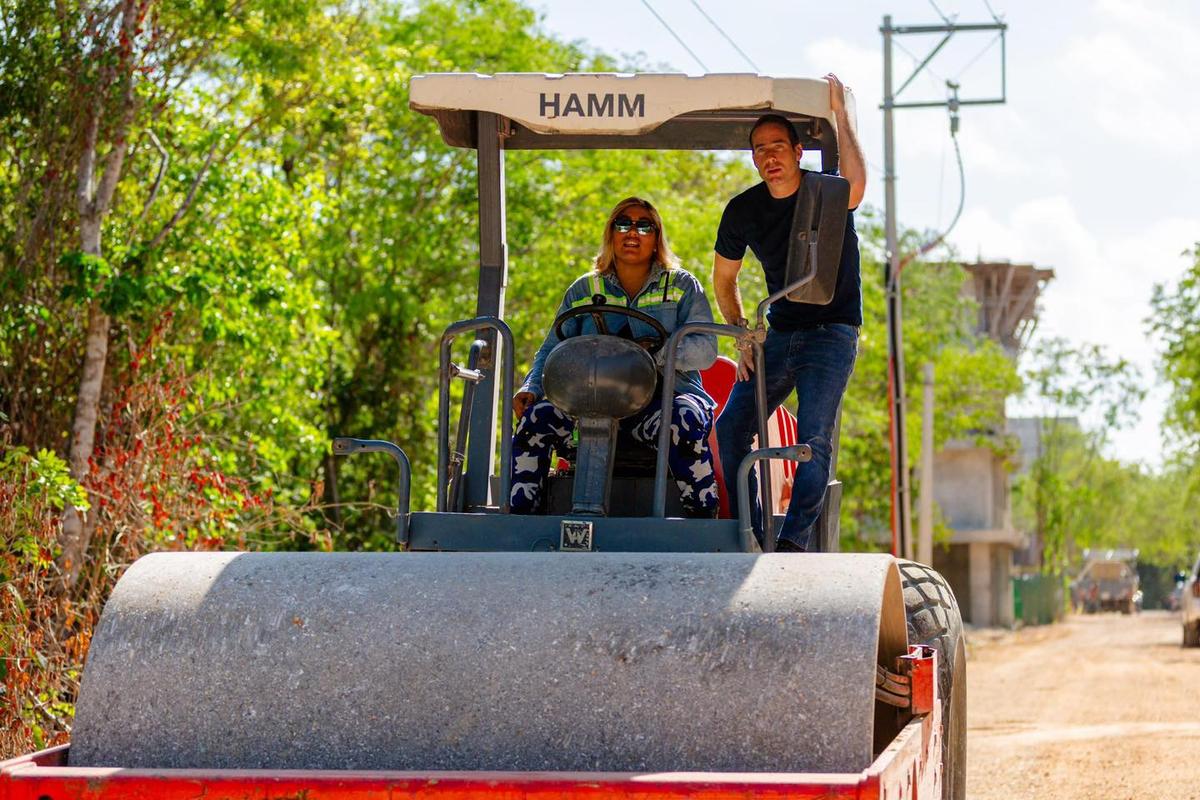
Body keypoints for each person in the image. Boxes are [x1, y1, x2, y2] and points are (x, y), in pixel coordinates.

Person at [712, 74, 867, 551]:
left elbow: (857, 184)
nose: (769, 157)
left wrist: (840, 114)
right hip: (779, 334)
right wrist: (744, 336)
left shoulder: (826, 194)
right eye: (760, 150)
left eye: (778, 146)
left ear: (798, 151)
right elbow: (724, 278)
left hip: (831, 333)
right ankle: (752, 534)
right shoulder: (743, 210)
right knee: (731, 426)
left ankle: (794, 544)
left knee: (813, 436)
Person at [510, 196, 719, 517]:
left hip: (664, 398)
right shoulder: (584, 289)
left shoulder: (679, 285)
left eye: (643, 225)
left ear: (656, 237)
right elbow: (554, 346)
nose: (632, 232)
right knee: (535, 420)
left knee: (685, 421)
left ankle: (703, 519)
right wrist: (532, 387)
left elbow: (706, 350)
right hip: (590, 402)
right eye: (623, 223)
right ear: (611, 234)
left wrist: (653, 357)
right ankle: (522, 520)